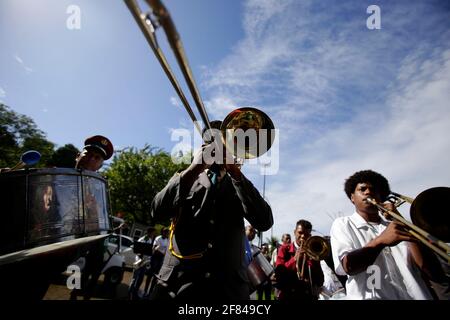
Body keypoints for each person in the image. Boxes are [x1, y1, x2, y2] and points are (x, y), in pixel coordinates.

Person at [149, 121, 273, 301]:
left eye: (227, 143)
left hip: (227, 291)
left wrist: (235, 172)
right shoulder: (185, 177)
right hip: (178, 285)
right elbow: (156, 212)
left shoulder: (240, 184)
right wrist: (194, 168)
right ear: (203, 147)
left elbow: (264, 221)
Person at [330, 169, 447, 299]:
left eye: (374, 190)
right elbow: (348, 267)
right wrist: (380, 241)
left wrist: (399, 219)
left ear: (381, 197)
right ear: (352, 197)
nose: (368, 192)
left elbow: (430, 271)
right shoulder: (343, 224)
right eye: (362, 189)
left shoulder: (398, 224)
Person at [70, 134, 113, 300]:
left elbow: (102, 221)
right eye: (88, 153)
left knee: (92, 268)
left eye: (97, 158)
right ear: (78, 155)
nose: (91, 159)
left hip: (85, 244)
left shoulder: (100, 188)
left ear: (100, 166)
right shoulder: (55, 178)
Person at [274, 219, 324, 301]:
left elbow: (320, 281)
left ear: (310, 235)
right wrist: (295, 259)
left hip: (308, 296)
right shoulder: (284, 249)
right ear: (294, 232)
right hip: (288, 296)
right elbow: (279, 275)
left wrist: (313, 260)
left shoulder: (313, 252)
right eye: (300, 233)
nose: (303, 236)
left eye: (306, 234)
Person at [129, 227, 156, 300]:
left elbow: (148, 251)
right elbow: (136, 250)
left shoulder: (150, 240)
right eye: (153, 233)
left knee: (140, 279)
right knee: (134, 279)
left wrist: (152, 251)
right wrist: (140, 255)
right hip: (139, 262)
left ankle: (135, 293)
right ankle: (130, 294)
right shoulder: (141, 239)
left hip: (144, 262)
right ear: (149, 232)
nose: (154, 234)